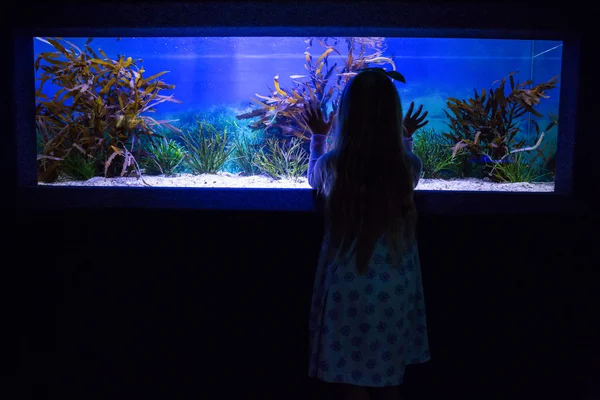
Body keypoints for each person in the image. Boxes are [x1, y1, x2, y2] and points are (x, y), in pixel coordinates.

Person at [299, 68, 430, 400]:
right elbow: (406, 164)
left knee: (351, 378)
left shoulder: (333, 165)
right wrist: (405, 137)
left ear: (346, 114)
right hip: (394, 288)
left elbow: (313, 178)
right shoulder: (408, 166)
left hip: (348, 289)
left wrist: (318, 135)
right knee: (389, 381)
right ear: (394, 115)